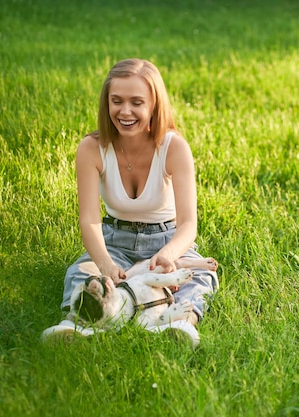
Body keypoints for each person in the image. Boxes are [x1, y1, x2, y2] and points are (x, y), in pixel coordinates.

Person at [47, 58, 218, 340]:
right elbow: (89, 221)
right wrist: (105, 265)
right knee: (81, 274)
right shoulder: (91, 148)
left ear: (154, 105)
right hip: (115, 241)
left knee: (200, 279)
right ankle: (76, 326)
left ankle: (179, 323)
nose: (125, 111)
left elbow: (188, 224)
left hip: (167, 240)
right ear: (107, 103)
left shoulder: (174, 147)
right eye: (117, 101)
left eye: (136, 102)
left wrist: (169, 255)